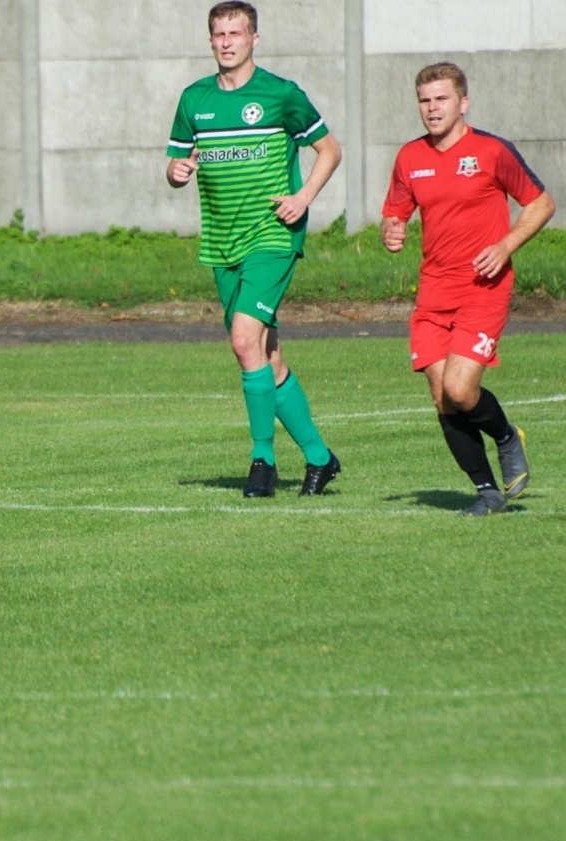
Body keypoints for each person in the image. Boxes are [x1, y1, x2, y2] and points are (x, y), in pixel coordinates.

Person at [166, 1, 344, 498]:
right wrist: (176, 173)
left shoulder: (280, 95)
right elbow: (177, 163)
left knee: (245, 340)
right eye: (218, 34)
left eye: (236, 33)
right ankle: (320, 458)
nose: (227, 42)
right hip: (223, 243)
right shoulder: (193, 99)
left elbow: (330, 149)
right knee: (266, 355)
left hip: (273, 234)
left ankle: (262, 461)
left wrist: (303, 197)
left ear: (254, 39)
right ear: (210, 41)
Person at [380, 62, 555, 516]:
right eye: (425, 100)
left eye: (441, 99)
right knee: (442, 398)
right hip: (433, 294)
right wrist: (391, 230)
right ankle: (487, 492)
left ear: (463, 103)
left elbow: (540, 203)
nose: (432, 108)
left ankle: (505, 436)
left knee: (460, 390)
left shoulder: (492, 151)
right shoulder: (410, 158)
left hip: (483, 288)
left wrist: (506, 244)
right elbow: (395, 212)